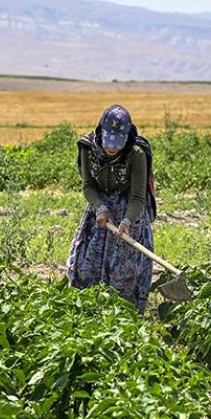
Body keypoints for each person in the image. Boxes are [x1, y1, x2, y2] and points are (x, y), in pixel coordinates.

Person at [67, 104, 156, 312]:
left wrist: (127, 222)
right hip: (100, 211)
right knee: (87, 265)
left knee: (124, 272)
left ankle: (125, 316)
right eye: (109, 142)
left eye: (117, 144)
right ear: (101, 131)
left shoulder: (136, 153)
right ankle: (88, 311)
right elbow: (88, 186)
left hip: (129, 211)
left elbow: (137, 197)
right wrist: (100, 207)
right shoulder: (87, 147)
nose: (112, 148)